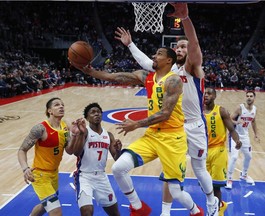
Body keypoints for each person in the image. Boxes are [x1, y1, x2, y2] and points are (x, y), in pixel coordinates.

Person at [69, 47, 204, 215]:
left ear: (169, 60)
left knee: (176, 192)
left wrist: (136, 124)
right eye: (155, 53)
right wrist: (91, 72)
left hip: (172, 139)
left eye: (159, 54)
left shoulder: (174, 80)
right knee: (118, 168)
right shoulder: (146, 77)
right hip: (152, 136)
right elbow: (116, 77)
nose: (154, 56)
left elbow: (165, 113)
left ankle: (195, 211)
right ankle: (138, 207)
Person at [114, 3, 218, 216]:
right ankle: (165, 211)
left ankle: (211, 202)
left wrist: (186, 19)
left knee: (199, 170)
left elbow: (195, 45)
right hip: (172, 129)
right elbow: (145, 62)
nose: (180, 49)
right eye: (177, 47)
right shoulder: (168, 70)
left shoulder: (193, 67)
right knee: (168, 173)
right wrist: (131, 44)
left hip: (194, 126)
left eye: (183, 46)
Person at [17, 97, 80, 216]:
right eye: (57, 105)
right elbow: (22, 150)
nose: (61, 107)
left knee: (44, 206)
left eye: (62, 104)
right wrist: (25, 168)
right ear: (49, 111)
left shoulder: (65, 126)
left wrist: (75, 136)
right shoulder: (40, 129)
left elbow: (70, 151)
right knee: (56, 212)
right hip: (40, 175)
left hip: (54, 174)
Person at [72, 102, 122, 216]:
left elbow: (116, 158)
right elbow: (76, 153)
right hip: (84, 176)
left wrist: (118, 150)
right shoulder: (85, 133)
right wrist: (80, 135)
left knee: (115, 213)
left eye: (98, 112)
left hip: (101, 177)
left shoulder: (108, 135)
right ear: (87, 117)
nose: (96, 114)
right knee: (87, 211)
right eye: (93, 112)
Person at [204, 87, 242, 216]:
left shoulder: (221, 111)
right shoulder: (198, 111)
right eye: (204, 93)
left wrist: (237, 140)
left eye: (209, 93)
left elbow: (231, 129)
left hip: (219, 151)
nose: (206, 95)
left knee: (216, 186)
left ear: (214, 96)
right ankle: (217, 205)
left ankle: (218, 210)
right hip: (203, 152)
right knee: (206, 187)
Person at [226, 90, 260, 189]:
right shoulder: (240, 108)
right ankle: (229, 178)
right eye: (247, 96)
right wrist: (236, 122)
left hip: (245, 136)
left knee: (248, 156)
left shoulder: (254, 109)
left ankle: (244, 175)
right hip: (235, 136)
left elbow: (253, 122)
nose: (249, 98)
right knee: (234, 157)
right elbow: (229, 119)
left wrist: (256, 134)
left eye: (251, 96)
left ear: (254, 98)